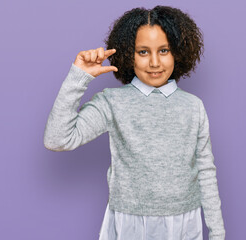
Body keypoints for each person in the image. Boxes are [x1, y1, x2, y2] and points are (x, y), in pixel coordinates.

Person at [44, 5, 225, 240]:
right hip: (128, 222)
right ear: (129, 53)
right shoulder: (112, 102)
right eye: (143, 52)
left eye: (163, 50)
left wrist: (217, 233)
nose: (154, 63)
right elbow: (57, 139)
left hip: (184, 222)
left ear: (178, 52)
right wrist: (79, 77)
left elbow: (206, 171)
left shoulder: (193, 106)